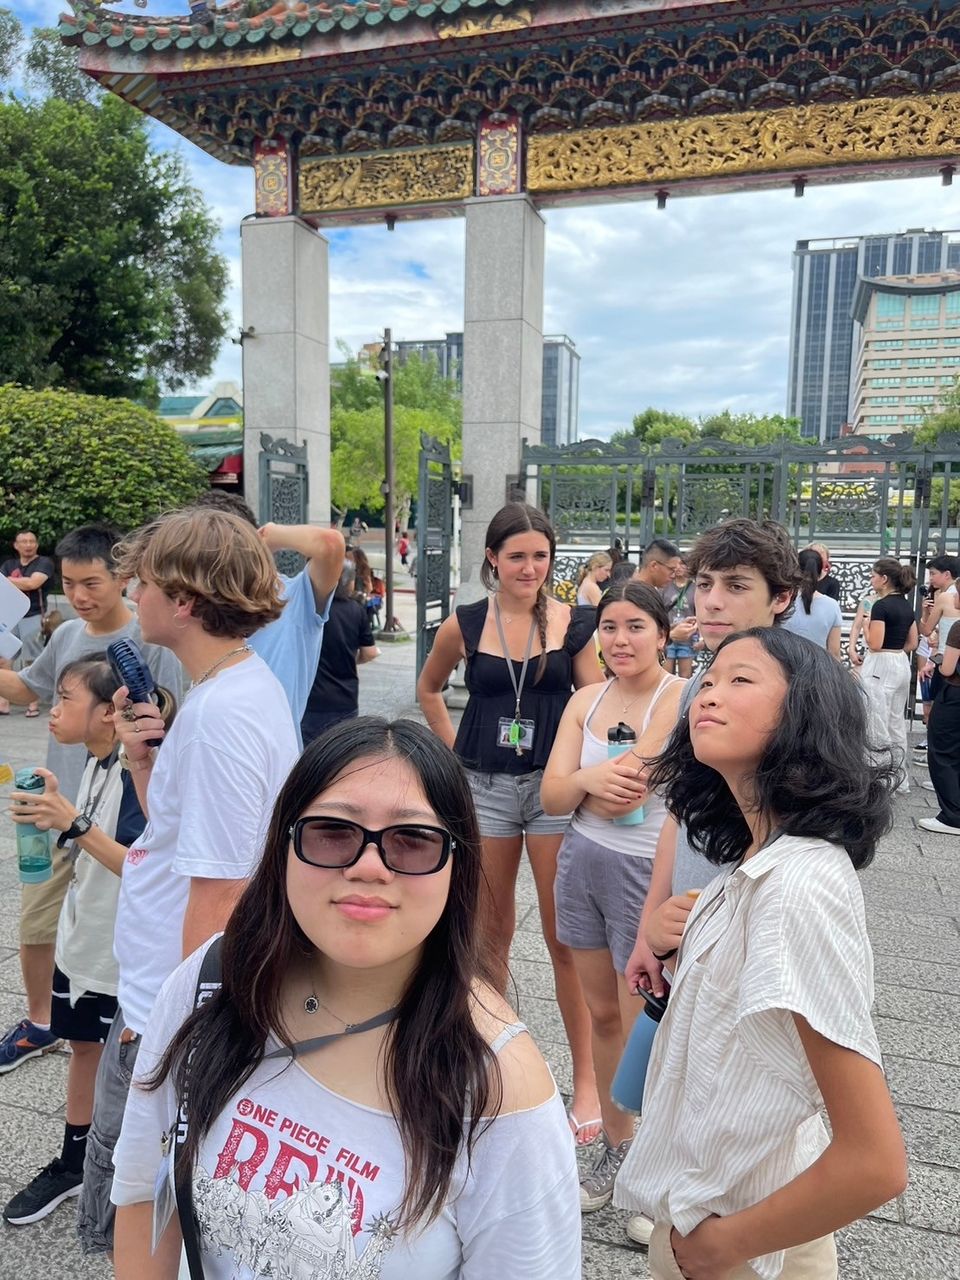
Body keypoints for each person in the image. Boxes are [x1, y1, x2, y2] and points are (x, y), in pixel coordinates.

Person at [110, 719, 581, 1278]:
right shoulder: (214, 981)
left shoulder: (500, 1088)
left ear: (458, 867)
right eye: (332, 831)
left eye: (412, 840)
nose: (367, 866)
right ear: (284, 845)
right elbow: (145, 1191)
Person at [614, 629, 908, 1279]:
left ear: (805, 712)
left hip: (743, 1245)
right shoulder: (752, 870)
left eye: (741, 680)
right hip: (717, 1215)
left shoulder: (796, 885)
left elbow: (875, 1161)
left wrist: (717, 1249)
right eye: (708, 680)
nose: (708, 693)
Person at [77, 507, 300, 1256]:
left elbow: (221, 892)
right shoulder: (224, 694)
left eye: (141, 581)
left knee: (134, 1210)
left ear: (181, 598)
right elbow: (180, 839)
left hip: (165, 1010)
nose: (130, 593)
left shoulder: (221, 717)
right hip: (161, 994)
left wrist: (174, 1030)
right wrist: (145, 762)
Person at [622, 517, 800, 1247]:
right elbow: (679, 811)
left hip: (741, 928)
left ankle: (728, 1223)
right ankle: (669, 1193)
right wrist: (648, 923)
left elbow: (805, 837)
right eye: (704, 584)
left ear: (781, 597)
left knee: (734, 1088)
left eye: (737, 585)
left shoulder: (795, 692)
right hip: (683, 924)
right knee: (664, 1069)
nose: (715, 600)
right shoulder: (705, 677)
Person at [417, 502, 605, 1145]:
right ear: (493, 558)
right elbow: (429, 689)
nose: (530, 567)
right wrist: (449, 755)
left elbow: (595, 702)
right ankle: (491, 1064)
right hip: (485, 789)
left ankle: (586, 1082)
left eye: (541, 555)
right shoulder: (466, 623)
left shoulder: (576, 625)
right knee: (486, 933)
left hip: (553, 793)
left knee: (565, 937)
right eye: (517, 555)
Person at [0, 525, 183, 1075]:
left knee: (109, 923)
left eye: (92, 582)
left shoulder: (151, 642)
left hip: (121, 808)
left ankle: (114, 1025)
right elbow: (25, 690)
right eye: (71, 583)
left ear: (120, 578)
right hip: (59, 804)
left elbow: (169, 719)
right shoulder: (65, 638)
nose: (80, 596)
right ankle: (42, 1022)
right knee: (36, 923)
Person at [3, 656, 169, 1226]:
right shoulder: (96, 762)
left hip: (115, 955)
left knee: (126, 1068)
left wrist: (72, 822)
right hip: (83, 943)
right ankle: (73, 1162)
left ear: (107, 713)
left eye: (65, 698)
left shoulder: (134, 773)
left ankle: (123, 1169)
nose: (50, 709)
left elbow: (143, 866)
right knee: (80, 1049)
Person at [542, 582, 683, 1212]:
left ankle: (652, 1160)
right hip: (580, 861)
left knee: (639, 1018)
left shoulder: (678, 696)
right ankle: (616, 1146)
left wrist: (582, 782)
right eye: (608, 628)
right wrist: (584, 783)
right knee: (600, 1012)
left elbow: (634, 786)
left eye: (634, 627)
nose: (620, 640)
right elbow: (550, 799)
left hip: (642, 869)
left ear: (661, 631)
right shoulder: (584, 700)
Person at [187, 491, 344, 742]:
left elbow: (330, 545)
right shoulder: (194, 608)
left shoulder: (294, 598)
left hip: (275, 766)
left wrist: (267, 537)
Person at [300, 566, 380, 746]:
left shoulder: (309, 610)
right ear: (350, 583)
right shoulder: (356, 610)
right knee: (341, 755)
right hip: (345, 697)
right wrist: (352, 659)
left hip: (312, 697)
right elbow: (369, 652)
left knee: (310, 756)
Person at [860, 557, 917, 782]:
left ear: (884, 579)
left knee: (876, 719)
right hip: (901, 661)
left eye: (873, 575)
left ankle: (879, 777)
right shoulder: (906, 605)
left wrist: (866, 627)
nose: (871, 579)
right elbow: (912, 643)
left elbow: (874, 643)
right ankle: (899, 777)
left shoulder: (881, 606)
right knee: (896, 720)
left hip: (880, 663)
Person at [0, 529, 54, 717]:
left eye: (32, 541)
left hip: (34, 615)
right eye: (24, 541)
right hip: (10, 617)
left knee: (33, 658)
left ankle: (33, 704)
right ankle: (3, 702)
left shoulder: (44, 563)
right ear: (16, 545)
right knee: (4, 658)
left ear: (37, 544)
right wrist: (18, 581)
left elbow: (33, 583)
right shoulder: (9, 564)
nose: (28, 545)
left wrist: (10, 581)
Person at [921, 616, 960, 835]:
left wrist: (937, 659)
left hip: (955, 695)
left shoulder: (958, 627)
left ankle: (952, 816)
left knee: (943, 752)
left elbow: (947, 669)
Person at [782, 548, 842, 657]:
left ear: (794, 570)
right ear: (820, 573)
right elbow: (834, 652)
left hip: (783, 668)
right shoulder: (832, 606)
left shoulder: (781, 601)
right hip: (818, 670)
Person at [661, 556, 697, 677]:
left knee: (685, 677)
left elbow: (699, 613)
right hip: (669, 633)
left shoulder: (695, 588)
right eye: (677, 565)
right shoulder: (665, 586)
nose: (679, 568)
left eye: (683, 565)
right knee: (666, 674)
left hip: (688, 636)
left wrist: (700, 638)